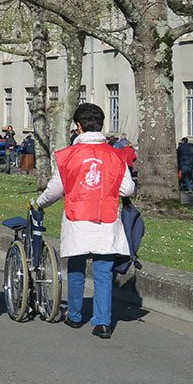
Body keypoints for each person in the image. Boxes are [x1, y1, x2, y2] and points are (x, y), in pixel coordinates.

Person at [36, 103, 135, 339]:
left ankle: (75, 315)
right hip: (106, 218)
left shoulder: (68, 155)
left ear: (78, 127)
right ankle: (102, 322)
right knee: (103, 269)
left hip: (76, 217)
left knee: (77, 267)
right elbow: (128, 189)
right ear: (101, 125)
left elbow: (55, 189)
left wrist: (39, 203)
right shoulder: (115, 155)